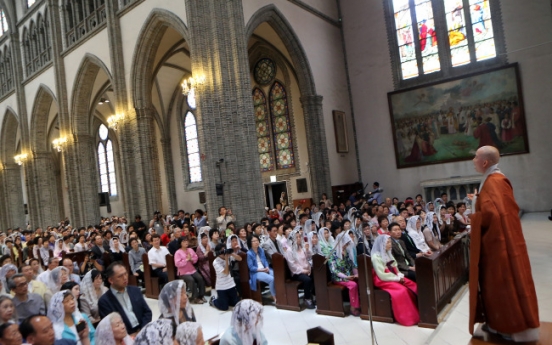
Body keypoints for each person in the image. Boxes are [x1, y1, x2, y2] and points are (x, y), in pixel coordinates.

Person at [468, 146, 539, 341]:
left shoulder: (494, 183)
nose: (473, 160)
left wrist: (474, 213)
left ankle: (511, 327)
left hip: (499, 245)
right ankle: (501, 326)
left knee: (504, 285)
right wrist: (477, 202)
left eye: (475, 157)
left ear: (485, 162)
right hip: (502, 241)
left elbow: (493, 216)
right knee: (500, 286)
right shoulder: (495, 180)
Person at [371, 235, 419, 326]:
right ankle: (408, 317)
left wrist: (398, 274)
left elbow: (394, 265)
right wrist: (396, 278)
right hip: (383, 279)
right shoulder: (376, 256)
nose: (390, 244)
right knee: (402, 291)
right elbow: (381, 274)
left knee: (412, 284)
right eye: (388, 242)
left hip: (392, 275)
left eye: (390, 242)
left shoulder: (388, 252)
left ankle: (418, 311)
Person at [98, 263, 152, 335]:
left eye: (125, 274)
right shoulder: (105, 301)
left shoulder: (135, 290)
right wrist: (129, 336)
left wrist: (141, 331)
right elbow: (110, 327)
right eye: (120, 276)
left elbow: (147, 312)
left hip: (143, 330)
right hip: (125, 336)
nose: (125, 278)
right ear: (111, 280)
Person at [328, 232, 360, 316]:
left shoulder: (345, 251)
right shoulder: (332, 253)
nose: (345, 246)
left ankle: (360, 304)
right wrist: (346, 277)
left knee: (359, 281)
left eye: (346, 244)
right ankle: (353, 307)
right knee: (353, 285)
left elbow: (351, 264)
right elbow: (334, 270)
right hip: (338, 278)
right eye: (344, 244)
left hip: (348, 275)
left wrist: (356, 274)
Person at [284, 230, 315, 309]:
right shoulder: (289, 251)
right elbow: (292, 266)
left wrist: (307, 250)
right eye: (296, 237)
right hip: (296, 273)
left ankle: (312, 294)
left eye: (299, 237)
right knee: (307, 280)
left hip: (305, 269)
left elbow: (308, 258)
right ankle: (307, 298)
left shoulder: (301, 247)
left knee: (315, 274)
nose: (299, 239)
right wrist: (303, 271)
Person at [174, 237, 205, 304]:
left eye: (186, 241)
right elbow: (177, 264)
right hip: (183, 272)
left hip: (192, 270)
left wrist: (191, 259)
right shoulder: (178, 252)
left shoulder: (190, 250)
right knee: (191, 280)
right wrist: (186, 260)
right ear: (180, 243)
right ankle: (195, 297)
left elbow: (195, 258)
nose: (186, 242)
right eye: (184, 241)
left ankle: (201, 296)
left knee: (200, 278)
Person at [209, 244, 240, 311]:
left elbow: (240, 259)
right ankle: (213, 300)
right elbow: (226, 272)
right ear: (218, 253)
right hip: (221, 287)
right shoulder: (215, 262)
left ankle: (225, 299)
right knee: (224, 307)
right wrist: (226, 260)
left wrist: (231, 254)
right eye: (222, 251)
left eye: (224, 250)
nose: (224, 253)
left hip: (231, 284)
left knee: (235, 303)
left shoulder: (228, 256)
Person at [247, 235, 276, 303]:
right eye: (254, 241)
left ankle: (279, 294)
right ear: (250, 243)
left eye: (257, 240)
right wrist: (262, 270)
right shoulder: (249, 253)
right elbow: (251, 268)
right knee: (272, 279)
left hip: (264, 268)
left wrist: (267, 267)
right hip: (256, 272)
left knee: (276, 275)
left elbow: (265, 261)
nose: (256, 242)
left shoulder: (261, 250)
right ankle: (274, 296)